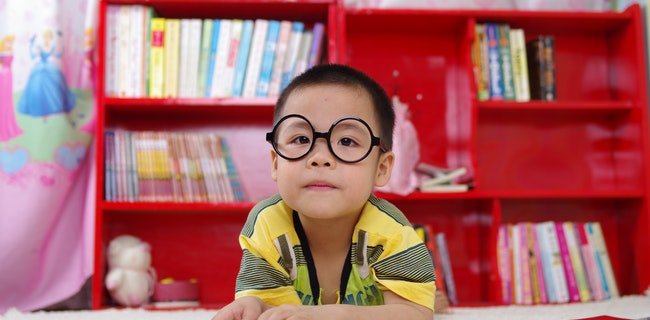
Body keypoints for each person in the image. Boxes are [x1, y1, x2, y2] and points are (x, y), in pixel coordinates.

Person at [213, 64, 435, 320]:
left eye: (347, 141)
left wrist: (338, 315)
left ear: (381, 168)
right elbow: (272, 306)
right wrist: (253, 305)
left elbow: (415, 314)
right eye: (301, 140)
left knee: (430, 301)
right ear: (275, 163)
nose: (320, 158)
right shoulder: (267, 225)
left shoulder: (392, 232)